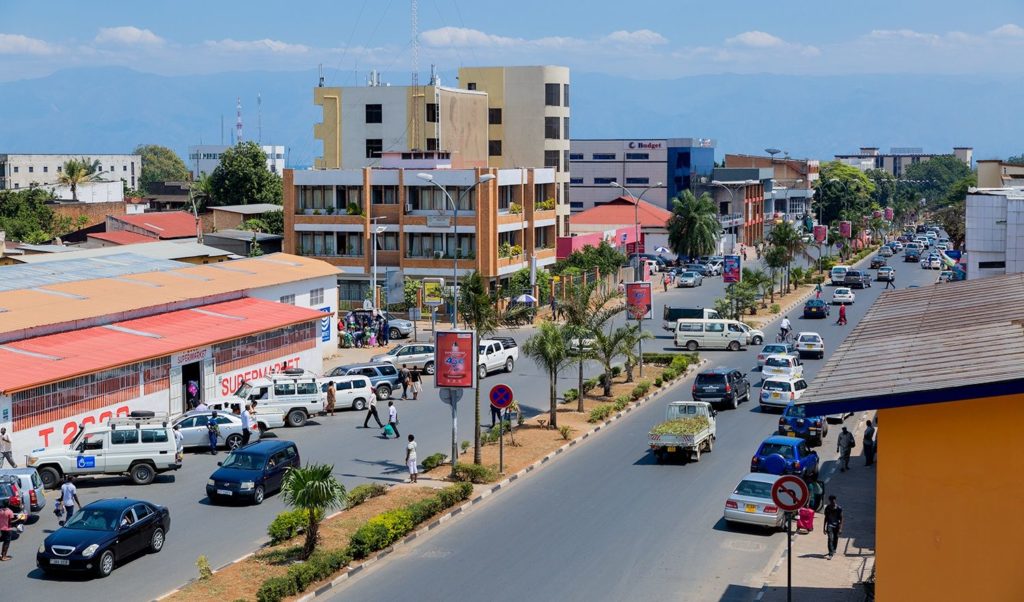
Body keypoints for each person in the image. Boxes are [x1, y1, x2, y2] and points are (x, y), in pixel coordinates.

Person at [823, 495, 844, 560]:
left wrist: (840, 528)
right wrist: (823, 528)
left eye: (833, 501)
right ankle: (830, 553)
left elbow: (842, 519)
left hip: (837, 525)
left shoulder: (839, 508)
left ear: (835, 500)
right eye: (831, 501)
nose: (832, 502)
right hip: (829, 525)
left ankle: (834, 549)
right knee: (830, 539)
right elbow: (826, 518)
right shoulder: (827, 508)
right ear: (829, 501)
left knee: (835, 538)